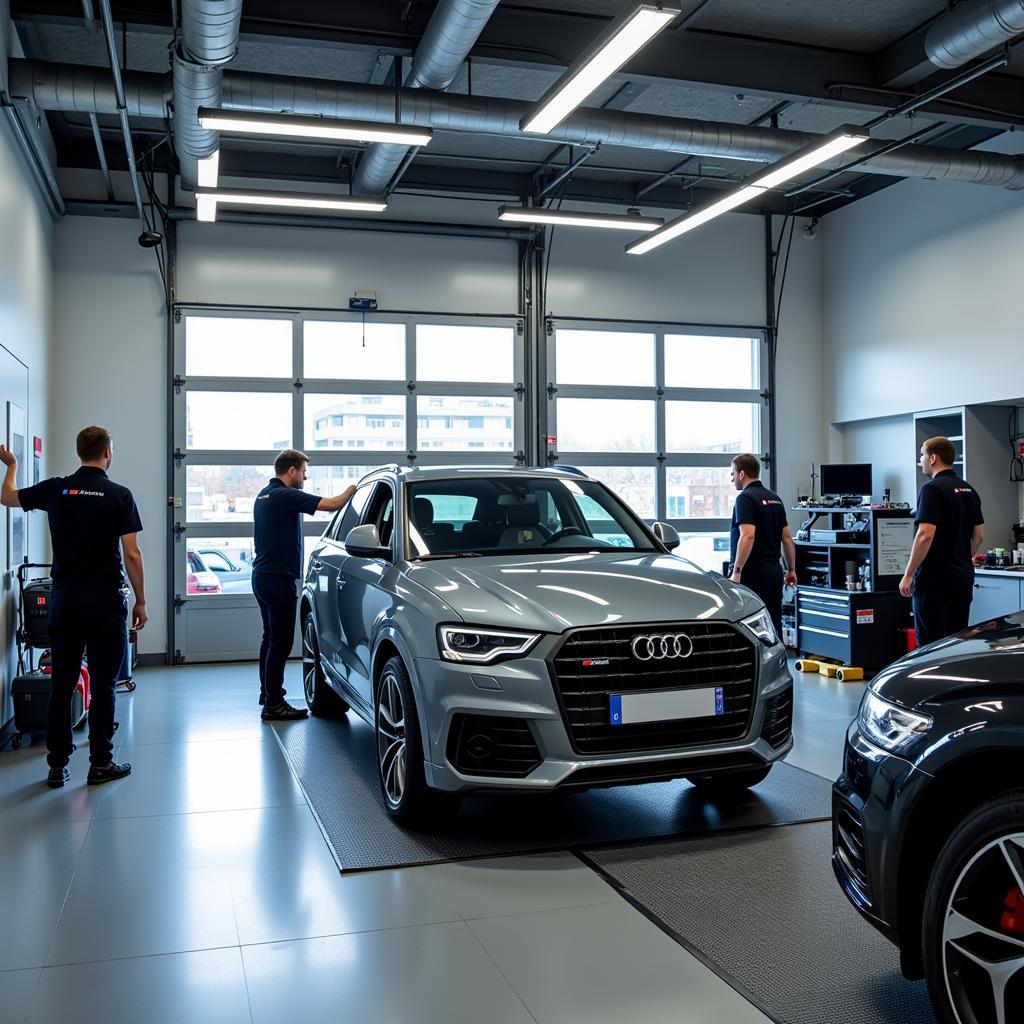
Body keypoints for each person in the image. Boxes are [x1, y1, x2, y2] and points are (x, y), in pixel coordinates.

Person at [0, 426, 146, 788]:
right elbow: (131, 553)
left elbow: (7, 498)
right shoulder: (119, 495)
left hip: (65, 600)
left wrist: (13, 464)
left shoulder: (57, 488)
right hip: (106, 601)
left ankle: (56, 765)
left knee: (62, 682)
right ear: (108, 452)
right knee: (104, 684)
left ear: (79, 451)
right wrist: (141, 599)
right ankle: (100, 764)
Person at [252, 450, 355, 721]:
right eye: (304, 471)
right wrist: (355, 488)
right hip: (277, 580)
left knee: (269, 638)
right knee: (281, 643)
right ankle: (274, 704)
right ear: (292, 471)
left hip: (262, 576)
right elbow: (333, 504)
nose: (306, 477)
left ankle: (268, 692)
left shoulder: (264, 495)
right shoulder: (284, 495)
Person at [900, 436, 984, 646]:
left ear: (933, 458)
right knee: (955, 644)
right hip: (962, 578)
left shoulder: (931, 489)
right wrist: (964, 558)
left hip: (934, 582)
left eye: (922, 455)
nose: (920, 460)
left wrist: (909, 574)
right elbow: (979, 536)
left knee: (929, 648)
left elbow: (925, 534)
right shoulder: (968, 489)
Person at [728, 453, 797, 639]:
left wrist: (737, 570)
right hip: (775, 572)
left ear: (742, 474)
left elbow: (748, 536)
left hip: (753, 573)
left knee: (750, 626)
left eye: (733, 474)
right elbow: (788, 539)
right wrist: (791, 570)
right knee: (774, 624)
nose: (732, 478)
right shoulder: (774, 498)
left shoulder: (745, 498)